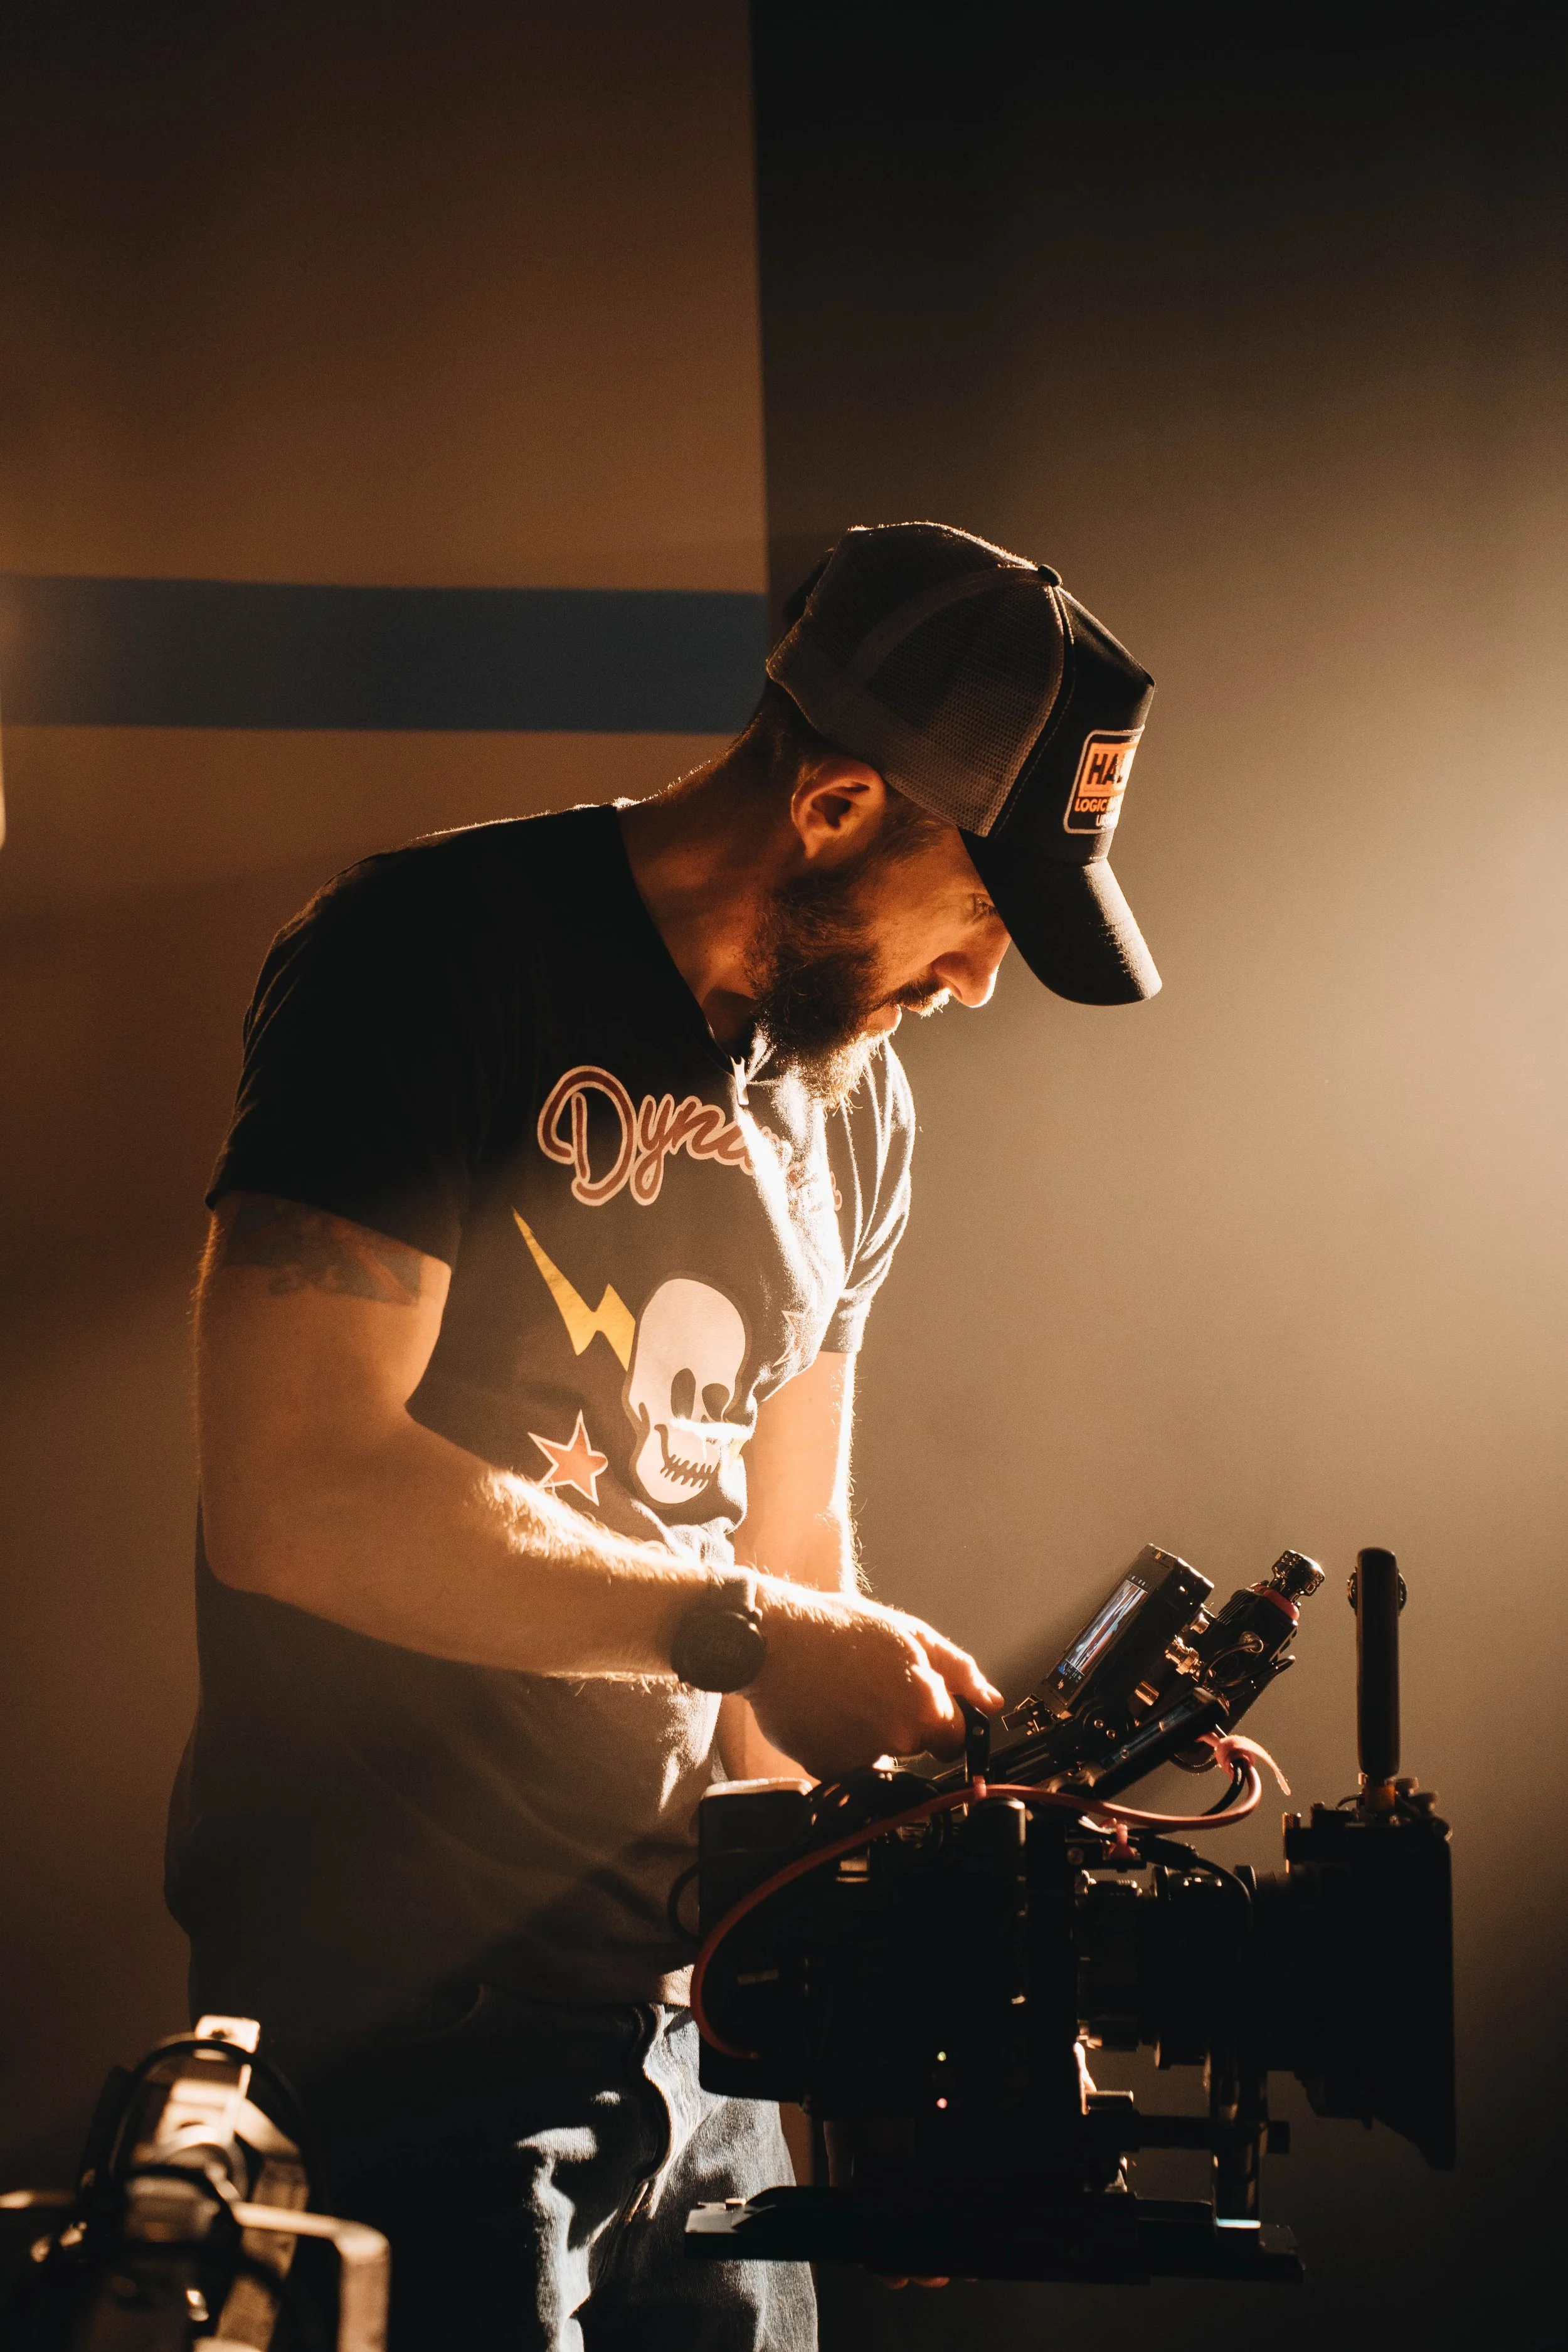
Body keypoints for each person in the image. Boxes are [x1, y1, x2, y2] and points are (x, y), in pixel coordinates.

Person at [167, 520, 1162, 2350]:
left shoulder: (855, 1107)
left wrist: (864, 2028)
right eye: (980, 903)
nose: (977, 979)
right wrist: (755, 1632)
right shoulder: (427, 956)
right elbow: (292, 1488)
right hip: (405, 2024)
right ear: (838, 805)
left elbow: (789, 1561)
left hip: (695, 2039)